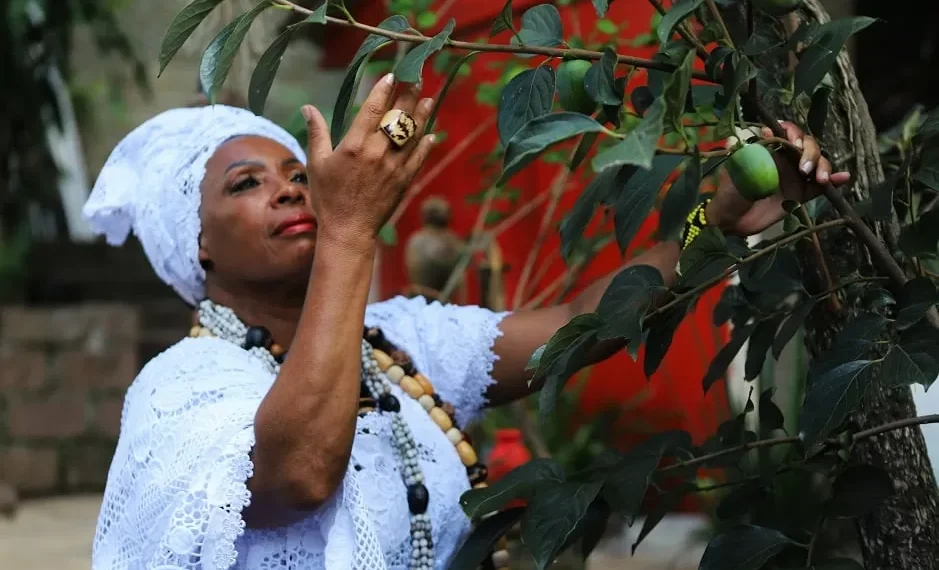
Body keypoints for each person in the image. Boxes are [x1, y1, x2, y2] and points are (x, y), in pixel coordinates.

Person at [83, 73, 849, 570]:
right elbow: (300, 475)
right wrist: (352, 230)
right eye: (246, 184)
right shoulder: (181, 387)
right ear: (196, 244)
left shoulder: (397, 344)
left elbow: (585, 324)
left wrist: (716, 224)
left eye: (298, 175)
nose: (289, 192)